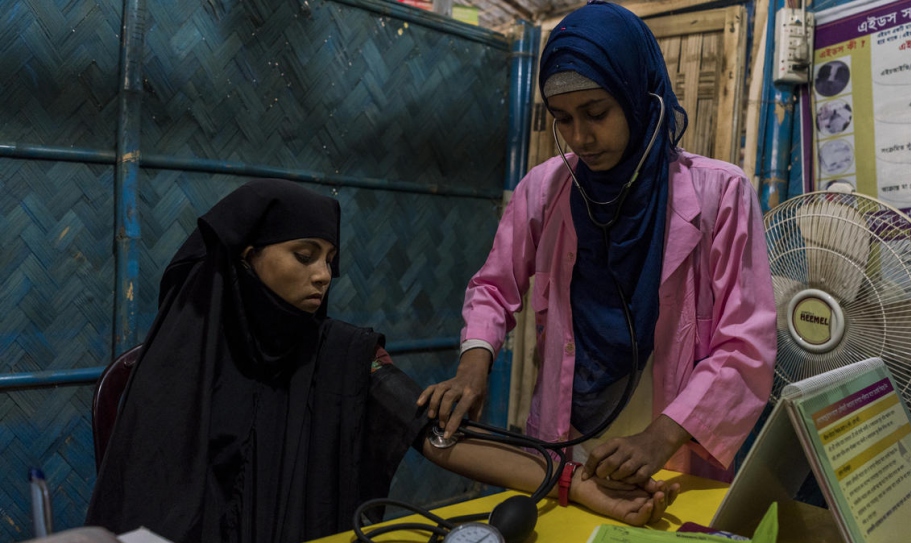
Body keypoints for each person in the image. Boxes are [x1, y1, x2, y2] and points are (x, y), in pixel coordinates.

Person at [85, 178, 677, 543]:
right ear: (247, 256)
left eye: (330, 258)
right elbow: (143, 503)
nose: (325, 274)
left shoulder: (344, 355)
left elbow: (439, 435)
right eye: (304, 254)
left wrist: (577, 486)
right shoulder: (176, 366)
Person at [419, 0, 777, 487]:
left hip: (672, 446)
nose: (581, 137)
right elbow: (492, 286)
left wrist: (659, 438)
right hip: (567, 437)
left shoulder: (722, 194)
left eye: (596, 112)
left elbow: (746, 343)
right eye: (562, 119)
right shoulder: (545, 190)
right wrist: (473, 364)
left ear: (638, 95)